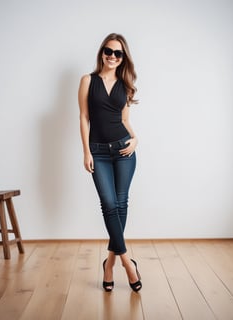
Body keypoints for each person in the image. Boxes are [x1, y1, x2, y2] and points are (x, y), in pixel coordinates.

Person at [78, 33, 142, 292]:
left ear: (123, 57)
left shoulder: (125, 85)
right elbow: (84, 117)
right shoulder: (87, 80)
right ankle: (127, 263)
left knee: (121, 203)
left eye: (118, 53)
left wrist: (136, 139)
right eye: (108, 51)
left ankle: (109, 264)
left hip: (124, 150)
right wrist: (86, 151)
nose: (112, 56)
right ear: (101, 52)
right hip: (98, 152)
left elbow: (125, 121)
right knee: (109, 204)